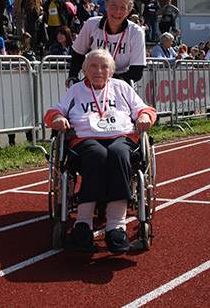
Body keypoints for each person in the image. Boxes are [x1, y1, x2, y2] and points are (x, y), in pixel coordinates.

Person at [44, 49, 156, 253]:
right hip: (85, 139)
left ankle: (116, 226)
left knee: (118, 154)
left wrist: (144, 117)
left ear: (111, 71)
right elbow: (54, 111)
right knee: (97, 155)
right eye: (93, 66)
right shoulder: (76, 90)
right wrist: (58, 119)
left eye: (104, 66)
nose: (99, 70)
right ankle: (83, 224)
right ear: (85, 70)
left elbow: (144, 109)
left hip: (121, 137)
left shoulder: (121, 87)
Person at [68, 0, 146, 84]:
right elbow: (78, 54)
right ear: (106, 6)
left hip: (121, 82)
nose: (117, 12)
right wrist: (73, 76)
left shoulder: (136, 32)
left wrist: (108, 82)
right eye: (113, 6)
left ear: (128, 11)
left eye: (123, 8)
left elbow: (137, 72)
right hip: (95, 80)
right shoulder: (91, 24)